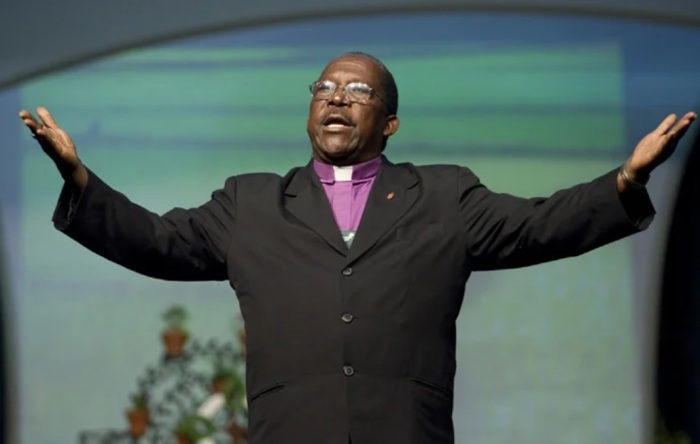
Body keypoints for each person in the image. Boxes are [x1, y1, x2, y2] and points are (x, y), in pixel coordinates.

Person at [19, 52, 696, 444]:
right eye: (324, 89)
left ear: (390, 122)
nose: (336, 98)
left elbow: (540, 224)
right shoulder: (250, 203)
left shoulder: (444, 196)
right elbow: (157, 241)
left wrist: (623, 183)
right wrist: (80, 178)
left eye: (358, 91)